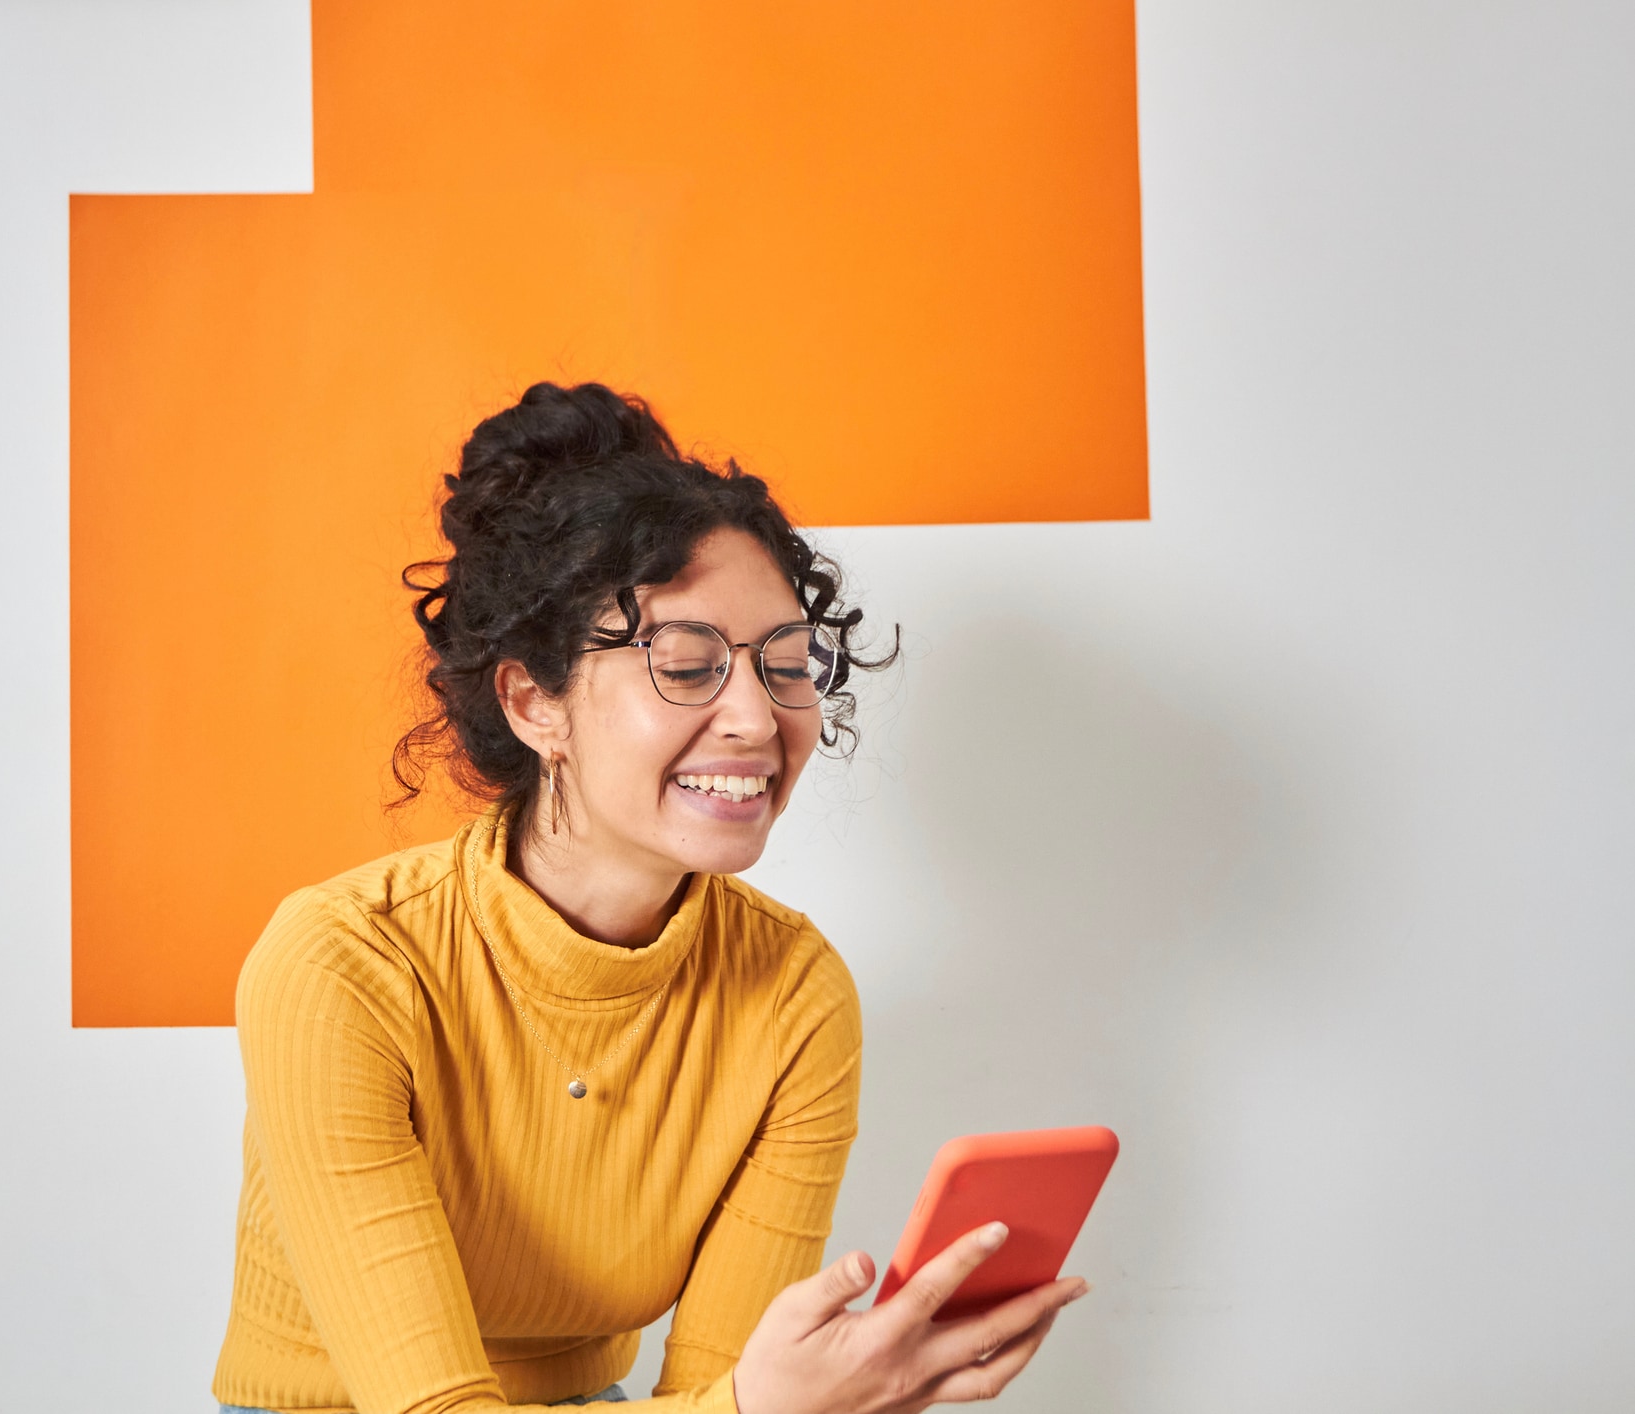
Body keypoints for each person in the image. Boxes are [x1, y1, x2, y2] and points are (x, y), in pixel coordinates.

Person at [211, 383, 1087, 1414]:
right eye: (686, 666)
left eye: (788, 665)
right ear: (536, 700)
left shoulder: (795, 996)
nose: (758, 719)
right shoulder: (342, 963)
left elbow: (719, 1381)